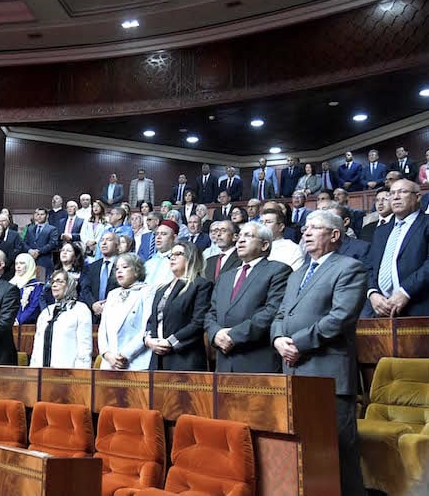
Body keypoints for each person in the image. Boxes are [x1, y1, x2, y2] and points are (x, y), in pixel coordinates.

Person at [271, 210, 367, 496]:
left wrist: (297, 343)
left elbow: (340, 317)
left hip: (328, 374)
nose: (306, 232)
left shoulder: (349, 268)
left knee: (339, 451)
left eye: (315, 228)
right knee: (306, 451)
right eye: (305, 228)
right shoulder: (297, 274)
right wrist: (278, 339)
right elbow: (280, 314)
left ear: (335, 234)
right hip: (294, 371)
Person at [205, 222, 290, 373]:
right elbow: (211, 312)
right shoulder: (225, 277)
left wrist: (233, 336)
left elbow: (272, 311)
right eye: (240, 236)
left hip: (256, 360)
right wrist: (215, 334)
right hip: (224, 362)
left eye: (248, 235)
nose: (241, 240)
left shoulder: (278, 271)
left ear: (264, 245)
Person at [364, 179, 429, 317]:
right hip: (380, 309)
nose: (396, 197)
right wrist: (373, 293)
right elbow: (369, 266)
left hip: (418, 308)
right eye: (392, 193)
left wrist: (406, 292)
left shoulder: (426, 224)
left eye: (402, 192)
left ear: (418, 197)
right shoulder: (381, 230)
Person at [146, 241, 211, 371]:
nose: (173, 258)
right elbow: (152, 320)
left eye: (178, 254)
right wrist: (148, 340)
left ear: (191, 258)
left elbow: (198, 323)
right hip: (158, 358)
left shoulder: (201, 285)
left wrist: (170, 342)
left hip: (185, 359)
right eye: (171, 255)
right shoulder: (161, 289)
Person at [98, 253, 153, 370]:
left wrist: (124, 355)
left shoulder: (147, 292)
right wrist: (107, 354)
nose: (119, 271)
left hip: (135, 363)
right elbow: (103, 329)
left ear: (136, 271)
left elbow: (146, 328)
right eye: (117, 268)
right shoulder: (112, 294)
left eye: (124, 267)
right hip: (110, 363)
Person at [30, 271, 92, 369]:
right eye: (53, 282)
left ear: (69, 285)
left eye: (60, 281)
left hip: (68, 373)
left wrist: (81, 373)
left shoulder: (81, 310)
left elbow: (85, 348)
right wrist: (33, 371)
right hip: (41, 371)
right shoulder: (46, 312)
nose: (54, 285)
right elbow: (36, 347)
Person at [80, 233, 120, 323]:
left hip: (115, 314)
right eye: (102, 240)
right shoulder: (92, 266)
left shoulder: (122, 265)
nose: (104, 243)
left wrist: (106, 305)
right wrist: (93, 304)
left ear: (117, 245)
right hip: (93, 315)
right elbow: (85, 288)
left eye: (109, 240)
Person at [23, 208, 59, 277]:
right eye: (38, 214)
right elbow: (24, 242)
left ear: (47, 216)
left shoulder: (52, 229)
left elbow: (52, 244)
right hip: (30, 260)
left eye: (42, 214)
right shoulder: (30, 228)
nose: (39, 216)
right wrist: (29, 250)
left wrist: (38, 251)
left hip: (43, 260)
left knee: (41, 280)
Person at [10, 253, 44, 325]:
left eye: (22, 263)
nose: (18, 266)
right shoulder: (11, 284)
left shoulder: (37, 286)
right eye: (16, 263)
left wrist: (19, 320)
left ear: (29, 265)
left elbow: (34, 306)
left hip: (27, 325)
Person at [145, 220, 178, 286]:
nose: (158, 237)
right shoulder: (149, 262)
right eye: (157, 234)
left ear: (174, 238)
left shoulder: (178, 262)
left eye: (163, 234)